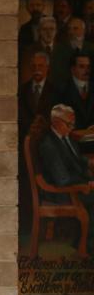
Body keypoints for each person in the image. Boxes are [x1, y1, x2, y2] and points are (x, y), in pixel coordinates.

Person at [38, 104, 94, 255]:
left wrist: (89, 163)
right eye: (69, 124)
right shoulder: (49, 145)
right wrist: (87, 183)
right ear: (56, 122)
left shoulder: (65, 137)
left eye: (73, 124)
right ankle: (87, 246)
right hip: (59, 193)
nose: (72, 128)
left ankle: (82, 242)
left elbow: (75, 160)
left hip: (72, 186)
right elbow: (62, 179)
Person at [57, 52, 94, 130]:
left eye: (88, 67)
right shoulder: (62, 90)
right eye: (82, 66)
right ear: (73, 69)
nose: (86, 70)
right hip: (71, 134)